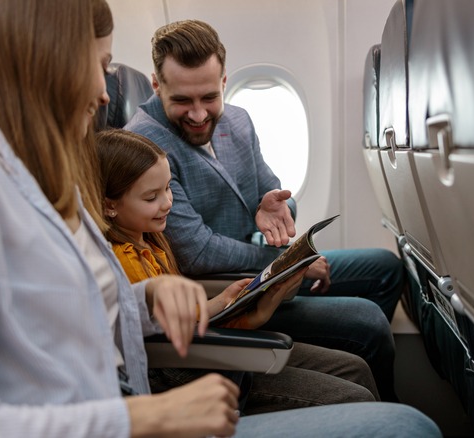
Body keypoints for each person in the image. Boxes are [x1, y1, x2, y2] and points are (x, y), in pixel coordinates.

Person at [0, 0, 442, 437]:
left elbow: (77, 314)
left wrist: (146, 300)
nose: (104, 93)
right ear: (43, 58)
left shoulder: (35, 168)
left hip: (134, 403)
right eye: (97, 66)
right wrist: (150, 419)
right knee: (405, 427)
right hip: (128, 417)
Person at [125, 18, 401, 402]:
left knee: (385, 268)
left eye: (209, 97)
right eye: (183, 101)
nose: (200, 114)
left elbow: (276, 192)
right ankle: (381, 414)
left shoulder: (238, 119)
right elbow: (198, 251)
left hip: (261, 266)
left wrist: (278, 205)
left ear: (224, 82)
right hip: (230, 285)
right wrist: (288, 263)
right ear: (157, 86)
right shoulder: (144, 146)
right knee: (367, 322)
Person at [92, 128, 379, 414]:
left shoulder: (151, 241)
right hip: (189, 370)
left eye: (167, 188)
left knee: (355, 368)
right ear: (110, 206)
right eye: (151, 197)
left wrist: (234, 302)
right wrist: (237, 313)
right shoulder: (124, 259)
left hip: (205, 348)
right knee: (356, 394)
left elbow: (180, 317)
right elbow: (165, 333)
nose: (167, 203)